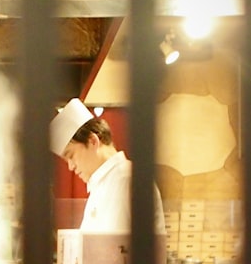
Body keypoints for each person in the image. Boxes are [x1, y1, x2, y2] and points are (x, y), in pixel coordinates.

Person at [49, 98, 166, 234]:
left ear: (93, 141)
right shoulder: (104, 182)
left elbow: (116, 249)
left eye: (71, 155)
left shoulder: (125, 179)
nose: (71, 167)